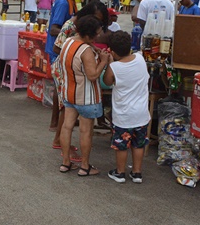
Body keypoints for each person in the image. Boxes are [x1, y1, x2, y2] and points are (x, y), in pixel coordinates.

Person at [54, 15, 111, 176]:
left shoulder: (68, 42)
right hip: (86, 97)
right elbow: (93, 75)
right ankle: (85, 166)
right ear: (88, 34)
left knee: (67, 126)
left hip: (69, 92)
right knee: (86, 131)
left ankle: (66, 162)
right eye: (96, 34)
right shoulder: (85, 50)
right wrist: (103, 61)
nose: (98, 36)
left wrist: (96, 51)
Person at [102, 31, 150, 184]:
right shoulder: (141, 58)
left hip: (123, 116)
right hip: (141, 114)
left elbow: (107, 82)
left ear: (113, 52)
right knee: (138, 144)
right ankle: (137, 173)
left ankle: (120, 172)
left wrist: (108, 62)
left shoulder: (114, 67)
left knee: (122, 145)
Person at [45, 0, 87, 133]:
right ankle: (55, 122)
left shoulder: (70, 0)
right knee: (60, 87)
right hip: (57, 49)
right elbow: (54, 28)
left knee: (61, 86)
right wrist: (71, 32)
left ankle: (61, 120)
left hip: (62, 47)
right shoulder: (63, 2)